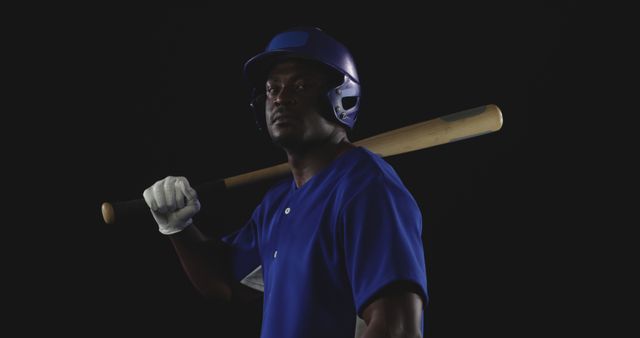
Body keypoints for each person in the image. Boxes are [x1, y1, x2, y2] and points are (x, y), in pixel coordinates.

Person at [143, 27, 428, 338]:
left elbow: (397, 329)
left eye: (300, 86)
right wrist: (178, 228)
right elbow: (225, 284)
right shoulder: (278, 204)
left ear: (342, 98)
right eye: (271, 89)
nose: (280, 98)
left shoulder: (367, 189)